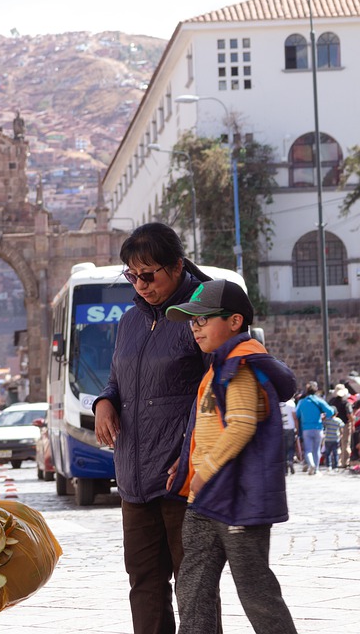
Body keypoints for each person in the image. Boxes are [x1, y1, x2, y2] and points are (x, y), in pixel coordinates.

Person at [92, 222, 212, 634]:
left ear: (177, 266)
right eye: (132, 275)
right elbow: (117, 382)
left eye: (149, 274)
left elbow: (217, 393)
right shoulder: (129, 323)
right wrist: (104, 402)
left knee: (193, 586)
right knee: (143, 583)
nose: (140, 284)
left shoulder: (201, 317)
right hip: (133, 477)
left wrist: (191, 458)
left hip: (183, 476)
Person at [165, 279, 298, 634]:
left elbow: (240, 426)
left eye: (203, 319)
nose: (195, 328)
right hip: (205, 499)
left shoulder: (238, 366)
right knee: (192, 590)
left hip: (238, 500)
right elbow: (205, 428)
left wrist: (205, 470)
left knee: (256, 592)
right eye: (192, 322)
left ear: (235, 321)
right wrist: (190, 470)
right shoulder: (216, 366)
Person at [295, 381, 335, 476]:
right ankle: (316, 469)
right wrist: (324, 416)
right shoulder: (319, 400)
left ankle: (311, 464)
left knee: (308, 450)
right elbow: (331, 411)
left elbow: (297, 415)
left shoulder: (302, 402)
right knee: (317, 449)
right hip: (318, 428)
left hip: (306, 429)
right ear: (316, 390)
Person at [328, 382, 353, 469]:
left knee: (335, 443)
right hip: (345, 424)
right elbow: (349, 415)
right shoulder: (346, 403)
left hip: (333, 424)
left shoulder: (331, 401)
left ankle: (335, 461)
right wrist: (352, 423)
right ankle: (344, 462)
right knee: (345, 443)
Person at [279, 398, 298, 476]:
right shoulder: (291, 403)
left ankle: (285, 468)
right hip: (290, 427)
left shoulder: (278, 403)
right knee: (290, 447)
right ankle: (290, 460)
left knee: (283, 448)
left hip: (281, 427)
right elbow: (294, 417)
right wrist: (297, 427)